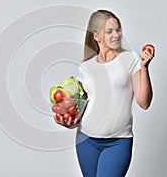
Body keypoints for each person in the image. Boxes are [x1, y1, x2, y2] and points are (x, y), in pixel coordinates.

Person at [54, 9, 155, 177]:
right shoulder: (85, 67)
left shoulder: (131, 59)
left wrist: (145, 67)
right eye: (109, 31)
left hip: (117, 143)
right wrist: (68, 121)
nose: (116, 34)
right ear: (96, 36)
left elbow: (144, 102)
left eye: (118, 29)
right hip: (85, 141)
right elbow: (80, 111)